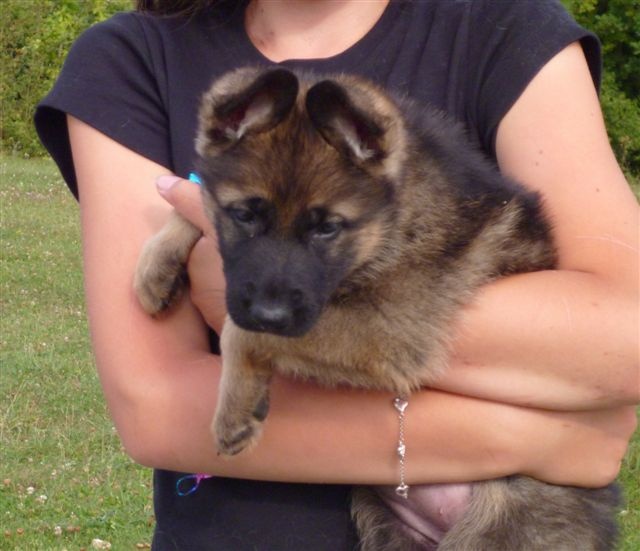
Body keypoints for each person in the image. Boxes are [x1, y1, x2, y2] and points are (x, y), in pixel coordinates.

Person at [35, 0, 638, 549]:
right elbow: (156, 410)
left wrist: (248, 332)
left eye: (324, 229)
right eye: (243, 216)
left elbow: (623, 340)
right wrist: (535, 438)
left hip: (510, 516)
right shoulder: (132, 58)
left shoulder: (506, 30)